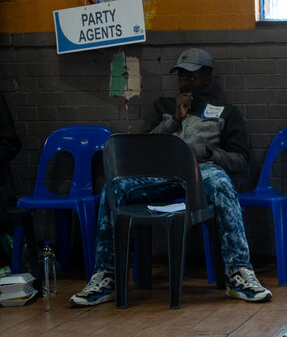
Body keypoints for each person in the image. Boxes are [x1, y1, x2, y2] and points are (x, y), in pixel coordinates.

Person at [70, 48, 272, 306]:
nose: (185, 83)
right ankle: (106, 276)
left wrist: (211, 153)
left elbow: (240, 160)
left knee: (222, 183)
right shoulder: (164, 107)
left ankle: (239, 274)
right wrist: (173, 120)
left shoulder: (225, 112)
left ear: (207, 78)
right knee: (114, 188)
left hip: (201, 173)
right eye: (182, 78)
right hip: (159, 175)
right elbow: (141, 148)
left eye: (192, 77)